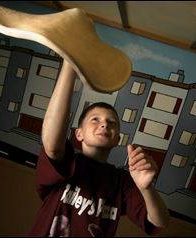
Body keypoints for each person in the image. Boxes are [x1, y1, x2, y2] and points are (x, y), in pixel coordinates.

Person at [28, 60, 170, 237]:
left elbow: (160, 221)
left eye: (112, 123)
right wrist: (70, 63)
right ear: (78, 134)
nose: (104, 125)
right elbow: (52, 145)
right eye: (95, 119)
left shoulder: (122, 182)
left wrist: (146, 188)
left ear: (117, 139)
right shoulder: (67, 161)